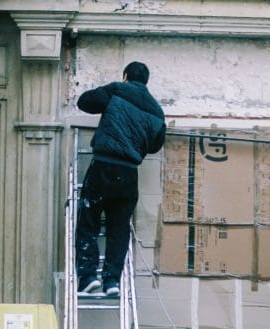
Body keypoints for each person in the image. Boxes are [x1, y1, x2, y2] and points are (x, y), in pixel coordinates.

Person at [75, 61, 166, 296]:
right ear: (146, 81)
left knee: (88, 221)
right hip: (128, 174)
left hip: (104, 166)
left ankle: (87, 279)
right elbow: (156, 145)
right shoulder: (157, 111)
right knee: (119, 229)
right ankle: (112, 281)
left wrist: (109, 92)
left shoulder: (117, 90)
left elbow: (84, 102)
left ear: (126, 76)